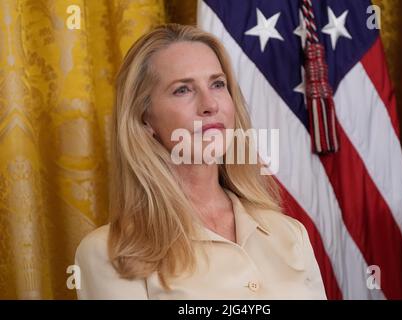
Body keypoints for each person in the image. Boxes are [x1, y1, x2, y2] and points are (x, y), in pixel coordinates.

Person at [74, 23, 327, 300]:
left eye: (218, 84)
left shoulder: (290, 233)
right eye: (183, 89)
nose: (210, 104)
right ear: (144, 118)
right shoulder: (108, 253)